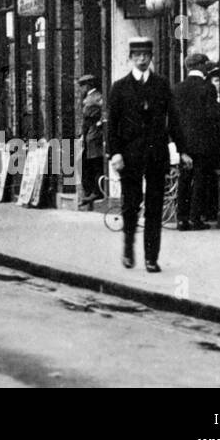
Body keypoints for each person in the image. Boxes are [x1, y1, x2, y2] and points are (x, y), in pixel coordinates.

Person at [106, 37, 181, 273]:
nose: (141, 59)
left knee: (155, 207)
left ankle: (151, 258)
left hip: (156, 155)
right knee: (130, 205)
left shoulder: (161, 85)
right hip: (129, 156)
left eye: (145, 56)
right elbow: (113, 124)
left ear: (151, 58)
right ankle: (128, 249)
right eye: (137, 56)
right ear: (130, 58)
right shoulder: (119, 87)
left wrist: (181, 148)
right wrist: (114, 152)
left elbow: (174, 120)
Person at [172, 53, 220, 231]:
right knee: (200, 180)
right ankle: (196, 218)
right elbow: (212, 115)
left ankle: (181, 219)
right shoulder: (208, 88)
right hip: (203, 144)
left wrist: (180, 147)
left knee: (184, 180)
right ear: (201, 66)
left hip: (184, 145)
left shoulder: (177, 89)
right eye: (206, 64)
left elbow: (172, 120)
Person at [77, 75, 104, 209]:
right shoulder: (96, 96)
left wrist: (82, 135)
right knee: (92, 164)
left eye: (82, 86)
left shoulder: (91, 99)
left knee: (93, 164)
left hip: (93, 137)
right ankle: (93, 191)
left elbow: (86, 121)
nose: (80, 89)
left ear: (88, 86)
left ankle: (95, 192)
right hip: (93, 136)